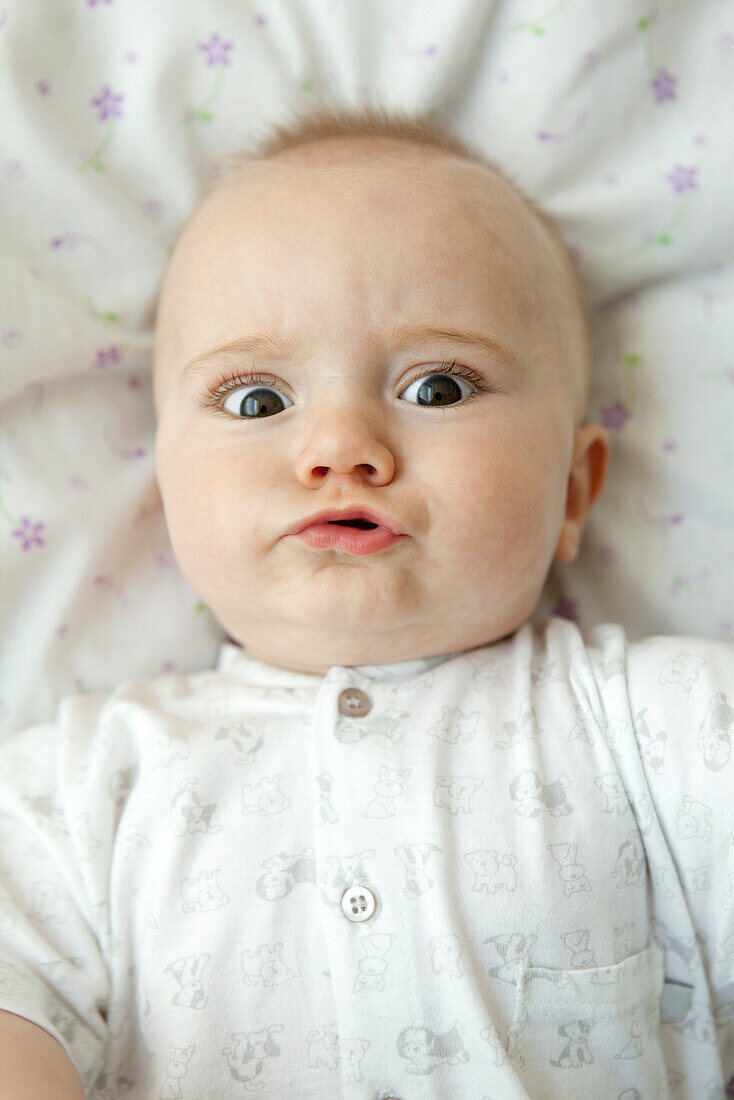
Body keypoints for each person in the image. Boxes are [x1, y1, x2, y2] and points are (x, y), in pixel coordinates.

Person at [0, 102, 732, 1100]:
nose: (341, 444)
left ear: (569, 491)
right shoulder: (84, 788)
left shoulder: (665, 729)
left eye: (436, 387)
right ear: (167, 485)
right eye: (257, 400)